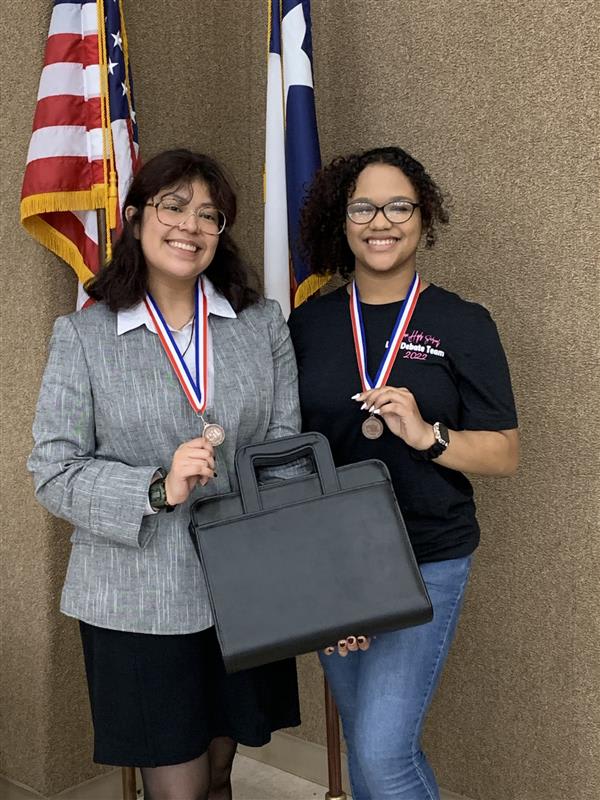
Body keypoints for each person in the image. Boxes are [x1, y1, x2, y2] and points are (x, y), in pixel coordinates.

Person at [28, 149, 301, 800]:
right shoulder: (84, 335)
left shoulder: (260, 324)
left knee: (218, 776)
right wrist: (157, 485)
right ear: (134, 220)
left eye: (210, 215)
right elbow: (53, 469)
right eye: (173, 206)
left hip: (244, 588)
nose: (192, 226)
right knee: (176, 790)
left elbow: (286, 443)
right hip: (136, 599)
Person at [288, 146, 519, 800]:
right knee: (367, 748)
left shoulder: (461, 323)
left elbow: (504, 452)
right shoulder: (308, 324)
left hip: (429, 557)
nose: (380, 221)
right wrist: (324, 581)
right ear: (342, 219)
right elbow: (293, 451)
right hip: (336, 564)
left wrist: (427, 436)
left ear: (423, 218)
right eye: (363, 206)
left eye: (398, 206)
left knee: (384, 756)